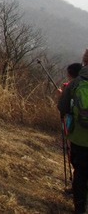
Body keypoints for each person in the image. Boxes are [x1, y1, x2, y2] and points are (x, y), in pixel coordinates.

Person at [59, 62, 88, 213]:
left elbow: (63, 108)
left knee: (80, 172)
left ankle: (80, 208)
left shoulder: (75, 83)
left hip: (79, 138)